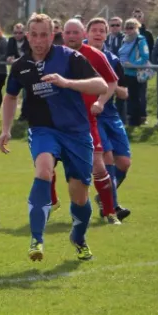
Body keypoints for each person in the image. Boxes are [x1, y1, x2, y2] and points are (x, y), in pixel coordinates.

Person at [0, 13, 107, 262]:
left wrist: (66, 83)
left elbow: (101, 86)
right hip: (43, 130)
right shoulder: (20, 66)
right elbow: (10, 96)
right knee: (44, 170)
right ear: (27, 36)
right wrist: (6, 129)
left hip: (77, 133)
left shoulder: (70, 58)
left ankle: (78, 238)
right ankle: (37, 239)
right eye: (34, 35)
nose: (39, 41)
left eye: (44, 35)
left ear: (52, 35)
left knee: (78, 194)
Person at [57, 18, 121, 225]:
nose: (72, 36)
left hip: (86, 121)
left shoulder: (95, 55)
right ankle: (51, 201)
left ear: (83, 33)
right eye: (69, 32)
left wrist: (101, 101)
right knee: (45, 162)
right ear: (63, 35)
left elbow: (111, 82)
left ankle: (110, 212)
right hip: (58, 122)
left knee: (98, 167)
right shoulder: (55, 55)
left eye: (76, 32)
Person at [86, 17, 132, 221]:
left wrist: (114, 88)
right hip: (91, 114)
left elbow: (124, 92)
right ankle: (111, 207)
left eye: (101, 31)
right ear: (87, 34)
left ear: (107, 34)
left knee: (124, 162)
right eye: (94, 30)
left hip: (110, 114)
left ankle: (104, 198)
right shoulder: (79, 56)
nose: (98, 34)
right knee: (107, 158)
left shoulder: (113, 60)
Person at [118, 18, 149, 127]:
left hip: (134, 73)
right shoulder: (124, 39)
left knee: (134, 98)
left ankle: (134, 122)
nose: (129, 30)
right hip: (123, 72)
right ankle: (124, 119)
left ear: (136, 28)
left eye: (131, 28)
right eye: (127, 28)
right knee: (123, 97)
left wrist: (133, 64)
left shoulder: (140, 40)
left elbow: (145, 56)